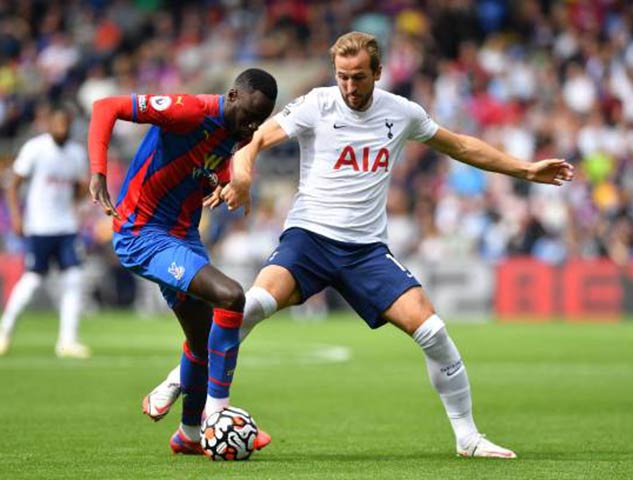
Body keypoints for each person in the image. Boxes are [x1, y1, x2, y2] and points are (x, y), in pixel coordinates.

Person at [147, 32, 574, 458]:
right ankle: (179, 377)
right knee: (250, 305)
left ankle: (468, 438)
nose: (349, 87)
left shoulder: (401, 112)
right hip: (308, 239)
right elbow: (254, 141)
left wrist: (525, 170)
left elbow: (460, 145)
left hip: (366, 251)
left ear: (378, 73)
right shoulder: (318, 103)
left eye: (358, 78)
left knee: (433, 331)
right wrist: (242, 175)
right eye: (342, 77)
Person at [87, 68, 278, 455]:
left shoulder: (236, 135)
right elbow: (106, 106)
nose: (253, 126)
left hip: (182, 236)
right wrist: (98, 172)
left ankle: (189, 435)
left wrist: (227, 182)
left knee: (202, 338)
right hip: (143, 232)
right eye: (249, 116)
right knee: (231, 296)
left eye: (261, 119)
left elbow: (207, 165)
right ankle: (216, 415)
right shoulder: (187, 111)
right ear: (232, 96)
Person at [0, 106, 90, 359]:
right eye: (57, 123)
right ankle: (5, 331)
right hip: (39, 226)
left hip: (66, 226)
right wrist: (17, 217)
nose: (62, 127)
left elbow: (78, 191)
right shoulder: (35, 149)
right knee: (33, 281)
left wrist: (83, 189)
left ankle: (68, 340)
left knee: (73, 279)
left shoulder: (76, 153)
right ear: (49, 124)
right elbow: (12, 184)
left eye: (66, 123)